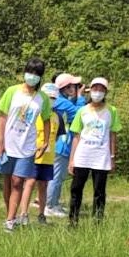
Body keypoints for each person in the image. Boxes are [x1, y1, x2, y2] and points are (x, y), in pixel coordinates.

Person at [0, 58, 47, 232]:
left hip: (27, 145)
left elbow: (46, 119)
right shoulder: (12, 91)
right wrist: (0, 141)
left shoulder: (42, 98)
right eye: (30, 72)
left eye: (36, 74)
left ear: (40, 77)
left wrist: (45, 141)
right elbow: (2, 116)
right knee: (7, 180)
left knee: (18, 181)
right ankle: (11, 213)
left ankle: (10, 220)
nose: (32, 76)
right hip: (8, 143)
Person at [68, 76, 122, 224]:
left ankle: (97, 221)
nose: (97, 92)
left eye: (101, 89)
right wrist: (72, 160)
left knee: (99, 191)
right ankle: (73, 220)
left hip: (101, 156)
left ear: (105, 92)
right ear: (89, 91)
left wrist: (112, 157)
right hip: (83, 155)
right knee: (76, 189)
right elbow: (76, 136)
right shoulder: (82, 111)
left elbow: (112, 134)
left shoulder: (111, 111)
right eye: (95, 89)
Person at [45, 73, 83, 218]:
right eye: (73, 85)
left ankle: (53, 203)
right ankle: (49, 206)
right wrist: (79, 98)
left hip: (60, 143)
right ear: (65, 88)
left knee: (58, 176)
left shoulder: (61, 101)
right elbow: (81, 113)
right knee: (56, 176)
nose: (75, 88)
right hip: (61, 144)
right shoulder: (63, 103)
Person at [32, 83, 60, 222]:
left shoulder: (56, 117)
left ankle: (41, 214)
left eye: (53, 97)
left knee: (43, 186)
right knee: (28, 184)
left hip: (48, 158)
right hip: (33, 156)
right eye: (48, 97)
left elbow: (57, 136)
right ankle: (21, 213)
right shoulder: (36, 113)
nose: (51, 100)